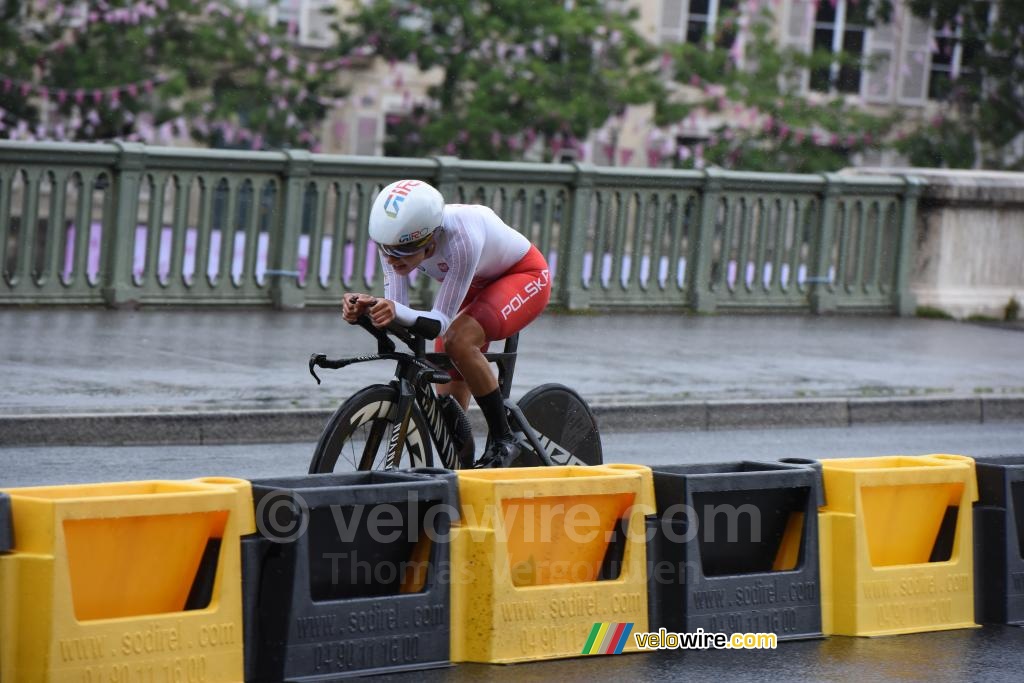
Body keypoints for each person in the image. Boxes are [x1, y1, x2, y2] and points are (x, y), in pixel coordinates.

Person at [342, 179, 551, 468]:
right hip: (474, 285)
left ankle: (505, 438)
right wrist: (369, 310)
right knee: (449, 402)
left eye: (400, 252)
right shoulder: (394, 240)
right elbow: (399, 312)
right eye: (383, 249)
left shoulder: (461, 237)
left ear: (429, 242)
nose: (390, 259)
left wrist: (393, 310)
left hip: (523, 276)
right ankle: (462, 468)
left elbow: (439, 322)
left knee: (457, 340)